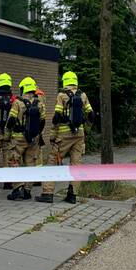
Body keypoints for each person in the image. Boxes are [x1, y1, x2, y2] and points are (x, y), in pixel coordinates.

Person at [38, 71, 93, 204]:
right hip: (79, 135)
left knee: (52, 162)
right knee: (76, 164)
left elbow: (56, 118)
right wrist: (86, 130)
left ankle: (47, 193)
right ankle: (72, 195)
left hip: (64, 135)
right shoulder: (83, 95)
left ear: (65, 81)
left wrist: (52, 136)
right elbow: (91, 115)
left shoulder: (62, 95)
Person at [6, 77, 46, 201]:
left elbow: (11, 120)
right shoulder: (39, 103)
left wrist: (7, 135)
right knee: (31, 163)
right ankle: (27, 191)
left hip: (18, 138)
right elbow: (43, 121)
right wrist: (37, 134)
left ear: (23, 88)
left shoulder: (18, 102)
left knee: (14, 161)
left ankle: (17, 189)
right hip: (33, 139)